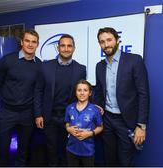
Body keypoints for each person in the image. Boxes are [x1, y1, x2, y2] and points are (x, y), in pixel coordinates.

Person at [94, 27, 149, 166]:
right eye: (102, 42)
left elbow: (143, 94)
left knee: (125, 162)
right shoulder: (99, 66)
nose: (106, 45)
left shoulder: (134, 60)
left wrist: (141, 126)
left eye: (109, 40)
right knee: (109, 159)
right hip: (107, 120)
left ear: (117, 40)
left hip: (127, 122)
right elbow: (99, 93)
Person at [35, 34, 86, 166]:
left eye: (69, 46)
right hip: (49, 116)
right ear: (58, 48)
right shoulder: (45, 66)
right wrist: (38, 114)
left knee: (67, 150)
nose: (66, 49)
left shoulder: (81, 69)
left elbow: (82, 93)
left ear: (74, 48)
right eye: (63, 45)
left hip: (69, 118)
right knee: (51, 149)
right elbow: (38, 91)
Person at [0, 29, 41, 166]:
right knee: (2, 148)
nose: (30, 44)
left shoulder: (39, 65)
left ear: (37, 44)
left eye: (34, 42)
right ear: (21, 42)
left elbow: (38, 90)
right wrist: (6, 97)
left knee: (24, 149)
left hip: (27, 113)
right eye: (27, 41)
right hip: (7, 112)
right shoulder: (7, 60)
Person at [65, 79, 103, 167]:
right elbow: (67, 123)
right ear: (75, 92)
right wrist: (68, 128)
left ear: (90, 93)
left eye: (85, 90)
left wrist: (90, 133)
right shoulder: (69, 108)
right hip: (71, 149)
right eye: (79, 90)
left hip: (88, 151)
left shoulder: (95, 110)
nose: (82, 93)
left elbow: (100, 127)